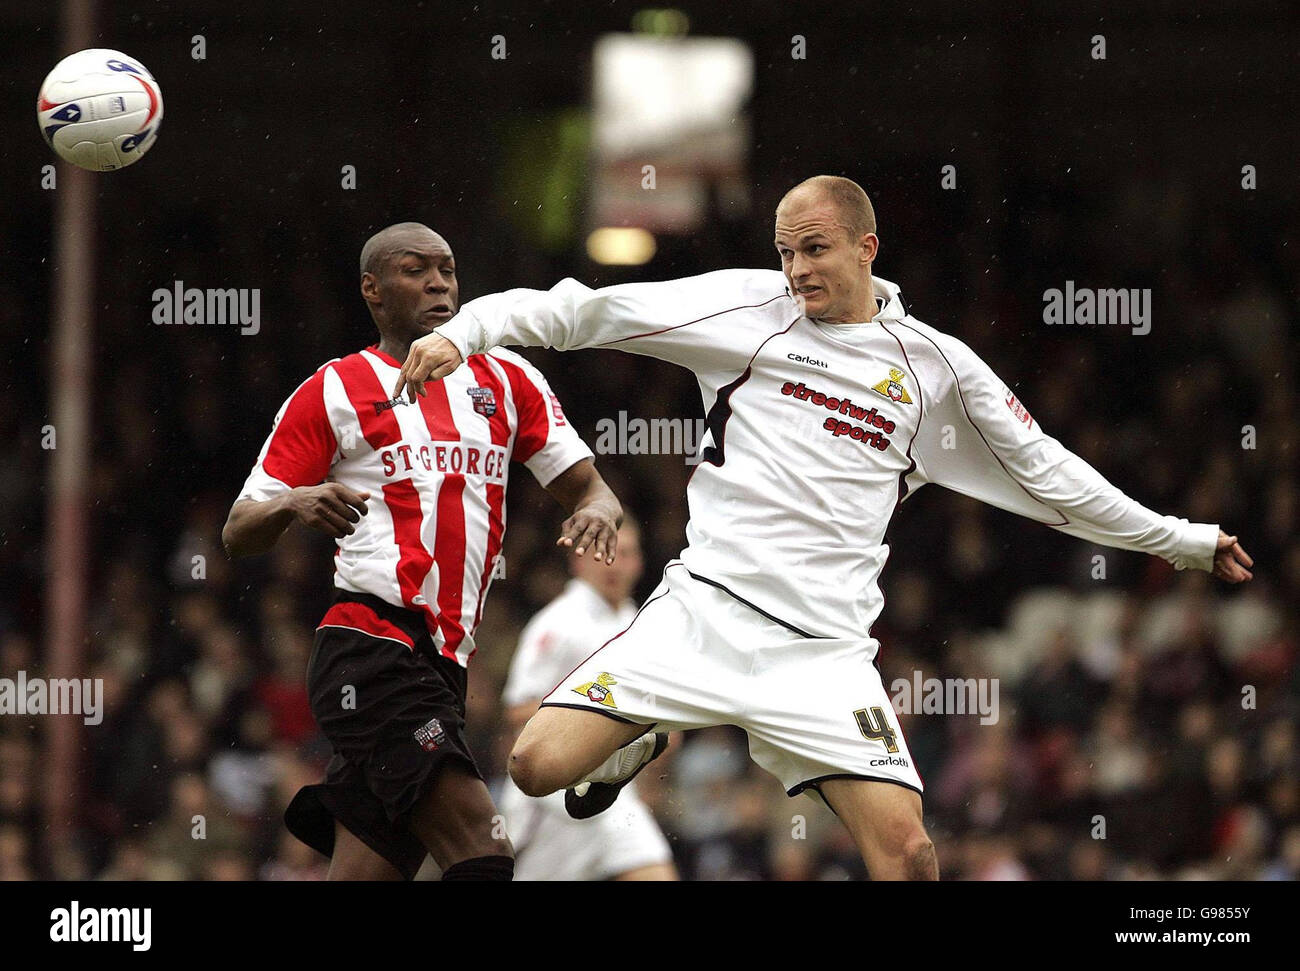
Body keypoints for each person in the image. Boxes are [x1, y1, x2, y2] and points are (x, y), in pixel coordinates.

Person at [392, 177, 1254, 880]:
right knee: (539, 768)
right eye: (785, 251)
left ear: (866, 248)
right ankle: (646, 733)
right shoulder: (743, 310)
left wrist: (1177, 538)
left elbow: (1049, 473)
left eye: (814, 249)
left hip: (822, 656)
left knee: (912, 855)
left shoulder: (935, 370)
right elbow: (584, 311)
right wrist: (467, 332)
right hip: (702, 615)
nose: (796, 269)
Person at [222, 222, 622, 881]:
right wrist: (293, 502)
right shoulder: (335, 387)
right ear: (371, 290)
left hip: (443, 665)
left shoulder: (507, 378)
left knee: (366, 872)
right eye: (416, 270)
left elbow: (588, 487)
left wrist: (598, 508)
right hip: (371, 650)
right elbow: (238, 530)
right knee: (484, 845)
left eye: (448, 269)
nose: (439, 283)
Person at [498, 516, 677, 880]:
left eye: (625, 553)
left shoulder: (640, 621)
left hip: (613, 796)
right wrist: (598, 717)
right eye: (605, 553)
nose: (616, 563)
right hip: (554, 798)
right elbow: (518, 709)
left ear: (640, 562)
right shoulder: (557, 622)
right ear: (579, 560)